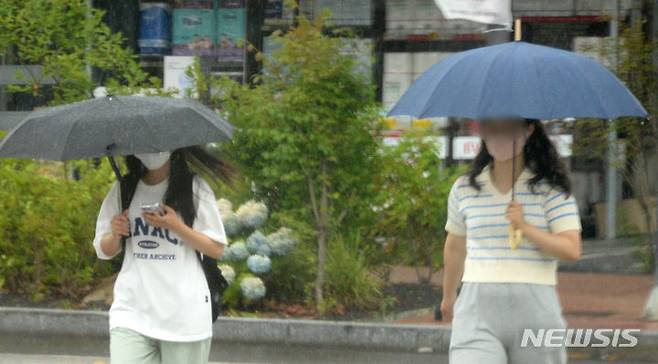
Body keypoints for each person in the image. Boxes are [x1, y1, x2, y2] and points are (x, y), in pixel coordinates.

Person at [441, 118, 582, 363]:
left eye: (508, 127)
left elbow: (571, 249)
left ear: (528, 131)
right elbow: (455, 247)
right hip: (477, 307)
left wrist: (526, 228)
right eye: (493, 126)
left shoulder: (551, 189)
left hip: (536, 310)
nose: (499, 134)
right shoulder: (464, 188)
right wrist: (448, 295)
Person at [92, 146, 234, 364]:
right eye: (144, 144)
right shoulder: (124, 188)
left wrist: (177, 226)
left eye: (157, 145)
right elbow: (104, 250)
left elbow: (216, 248)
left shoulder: (194, 187)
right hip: (132, 312)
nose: (151, 150)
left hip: (184, 317)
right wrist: (116, 233)